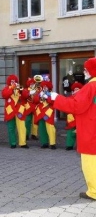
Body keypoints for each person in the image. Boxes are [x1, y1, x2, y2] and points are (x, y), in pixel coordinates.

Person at [51, 57, 96, 201]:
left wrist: (56, 98)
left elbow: (76, 106)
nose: (84, 72)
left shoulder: (90, 86)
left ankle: (94, 192)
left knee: (89, 163)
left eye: (85, 69)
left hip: (91, 129)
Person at [1, 74, 29, 149]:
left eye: (14, 81)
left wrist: (21, 90)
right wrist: (11, 88)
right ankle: (13, 143)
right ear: (9, 82)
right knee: (11, 128)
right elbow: (4, 95)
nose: (13, 83)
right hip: (10, 110)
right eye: (11, 81)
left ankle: (23, 143)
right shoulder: (6, 88)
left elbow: (26, 96)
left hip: (20, 110)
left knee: (22, 127)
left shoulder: (19, 88)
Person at [34, 80, 56, 149]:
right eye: (43, 87)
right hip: (40, 112)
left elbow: (54, 102)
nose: (44, 88)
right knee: (42, 128)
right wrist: (38, 96)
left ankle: (52, 143)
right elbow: (34, 100)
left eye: (46, 87)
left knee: (50, 128)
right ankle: (44, 143)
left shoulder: (52, 93)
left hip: (48, 112)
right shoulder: (40, 93)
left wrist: (48, 97)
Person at [64, 82, 83, 151]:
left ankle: (79, 146)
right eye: (75, 89)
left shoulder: (83, 98)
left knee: (80, 132)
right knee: (70, 132)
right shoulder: (70, 98)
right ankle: (69, 145)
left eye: (77, 89)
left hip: (79, 116)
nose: (76, 90)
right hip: (71, 116)